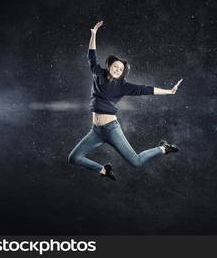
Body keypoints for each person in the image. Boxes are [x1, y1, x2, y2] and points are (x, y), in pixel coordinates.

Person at [68, 21, 183, 180]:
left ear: (122, 73)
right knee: (73, 158)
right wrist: (93, 35)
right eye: (115, 66)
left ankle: (163, 148)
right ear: (109, 67)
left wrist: (169, 91)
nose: (117, 69)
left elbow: (145, 89)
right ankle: (104, 171)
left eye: (121, 69)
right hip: (96, 131)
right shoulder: (98, 74)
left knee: (136, 161)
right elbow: (91, 56)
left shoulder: (123, 86)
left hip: (110, 129)